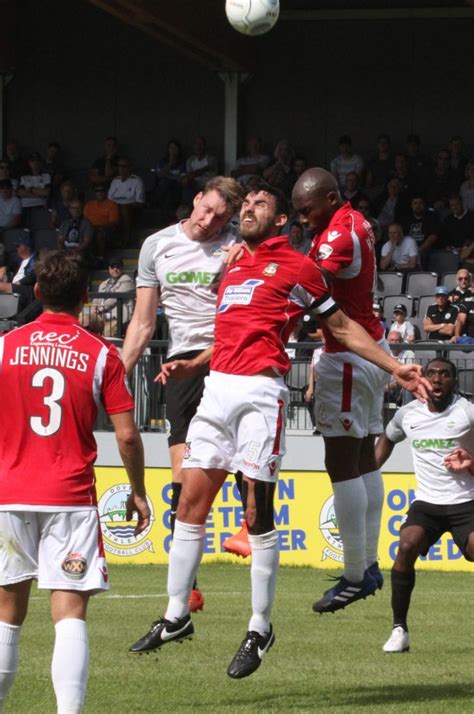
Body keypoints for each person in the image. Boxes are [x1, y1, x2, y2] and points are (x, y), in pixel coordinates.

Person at [128, 180, 426, 678]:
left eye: (259, 204)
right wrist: (194, 363)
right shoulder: (233, 263)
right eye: (244, 204)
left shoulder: (298, 267)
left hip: (259, 396)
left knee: (255, 512)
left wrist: (394, 366)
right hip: (217, 389)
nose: (247, 209)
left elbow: (343, 327)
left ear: (281, 220)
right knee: (188, 505)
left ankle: (260, 625)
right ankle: (176, 616)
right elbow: (233, 330)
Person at [0, 250, 150, 713]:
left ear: (38, 292)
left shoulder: (4, 348)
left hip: (9, 494)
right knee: (69, 615)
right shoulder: (101, 355)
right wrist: (138, 492)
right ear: (86, 297)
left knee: (6, 618)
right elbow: (126, 436)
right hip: (70, 498)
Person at [121, 176, 247, 611]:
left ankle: (251, 531)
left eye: (220, 217)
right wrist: (118, 374)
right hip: (181, 362)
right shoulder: (157, 245)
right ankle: (187, 590)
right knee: (182, 472)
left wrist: (243, 253)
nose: (209, 221)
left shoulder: (238, 245)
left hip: (228, 354)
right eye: (206, 209)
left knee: (242, 456)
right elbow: (142, 322)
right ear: (196, 199)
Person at [292, 167, 397, 613]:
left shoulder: (338, 236)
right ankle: (368, 565)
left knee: (340, 460)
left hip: (349, 352)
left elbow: (305, 284)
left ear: (331, 199)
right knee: (359, 458)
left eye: (307, 211)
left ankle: (355, 573)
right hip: (370, 344)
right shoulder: (357, 222)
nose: (303, 220)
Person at [375, 358, 474, 653]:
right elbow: (388, 439)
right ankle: (399, 630)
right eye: (432, 373)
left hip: (465, 503)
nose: (438, 379)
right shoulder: (408, 415)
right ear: (423, 380)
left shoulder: (467, 412)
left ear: (455, 382)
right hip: (427, 504)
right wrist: (365, 473)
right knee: (406, 546)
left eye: (445, 374)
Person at [82, 257, 135, 337]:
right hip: (101, 315)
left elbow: (114, 298)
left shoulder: (127, 281)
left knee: (108, 330)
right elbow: (96, 299)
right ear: (109, 269)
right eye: (112, 267)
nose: (115, 269)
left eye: (118, 267)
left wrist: (100, 308)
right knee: (84, 320)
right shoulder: (104, 283)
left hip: (117, 316)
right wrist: (94, 307)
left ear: (122, 268)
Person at [84, 184, 120, 258]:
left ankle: (101, 257)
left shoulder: (112, 204)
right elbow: (84, 220)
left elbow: (113, 222)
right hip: (89, 228)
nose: (99, 193)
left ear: (106, 192)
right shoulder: (89, 204)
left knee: (99, 234)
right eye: (97, 191)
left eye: (102, 191)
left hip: (104, 229)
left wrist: (100, 227)